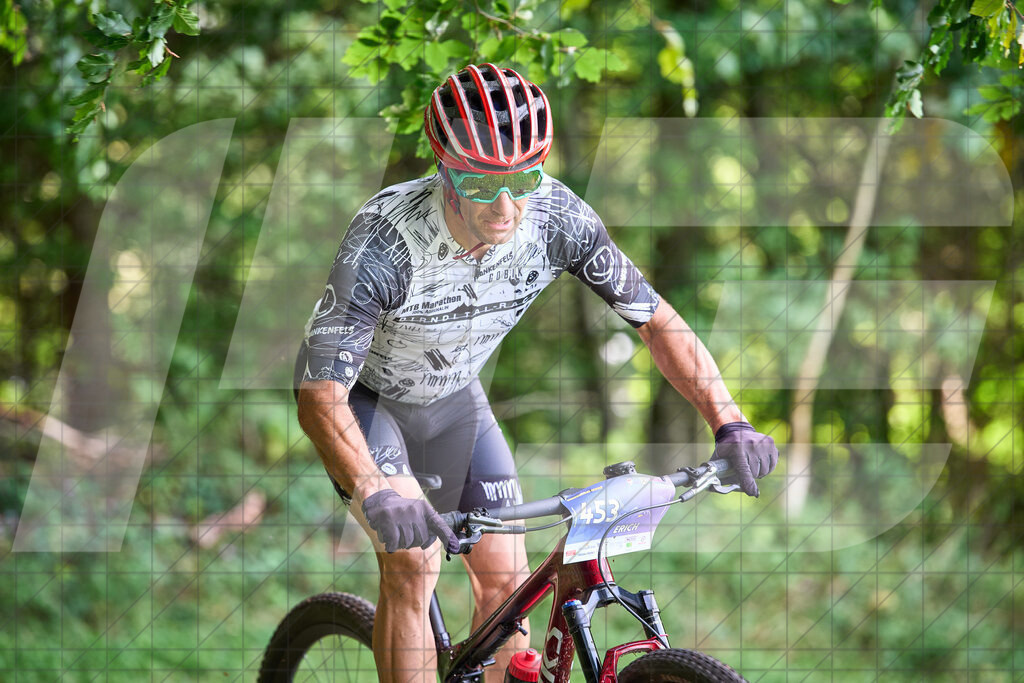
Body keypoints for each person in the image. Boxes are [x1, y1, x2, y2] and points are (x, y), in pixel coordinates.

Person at [294, 63, 778, 683]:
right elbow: (321, 394)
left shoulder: (556, 217)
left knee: (508, 585)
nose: (505, 206)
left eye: (523, 179)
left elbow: (657, 322)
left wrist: (730, 422)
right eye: (479, 182)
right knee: (415, 562)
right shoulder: (385, 241)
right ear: (444, 170)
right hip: (366, 401)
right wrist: (374, 489)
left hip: (453, 397)